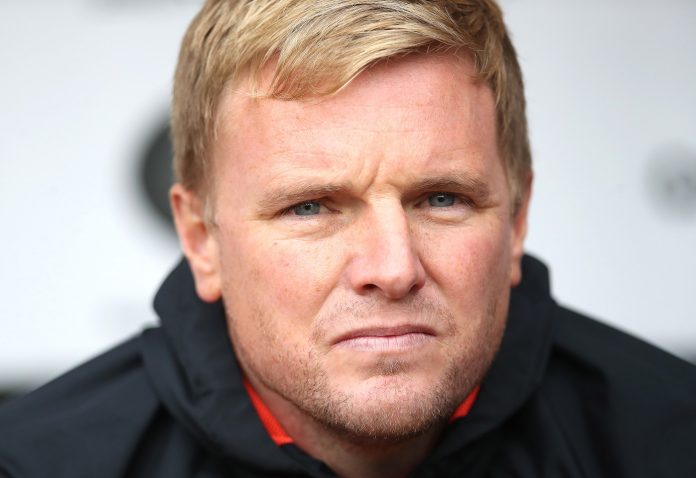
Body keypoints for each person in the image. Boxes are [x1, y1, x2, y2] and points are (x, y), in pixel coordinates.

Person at [1, 0, 695, 476]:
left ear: (516, 222)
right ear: (200, 239)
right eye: (310, 208)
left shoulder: (671, 442)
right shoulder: (35, 464)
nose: (392, 269)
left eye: (442, 199)